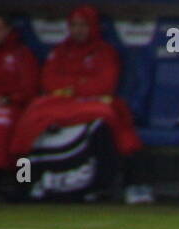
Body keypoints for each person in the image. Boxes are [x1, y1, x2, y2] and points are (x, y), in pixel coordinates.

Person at [9, 5, 142, 164]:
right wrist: (79, 84)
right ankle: (26, 176)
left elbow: (104, 84)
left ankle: (99, 177)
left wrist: (70, 87)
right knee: (31, 115)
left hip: (91, 102)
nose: (78, 30)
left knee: (105, 116)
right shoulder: (60, 51)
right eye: (74, 25)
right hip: (60, 102)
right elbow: (49, 81)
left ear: (93, 26)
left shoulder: (105, 51)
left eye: (83, 25)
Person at [0, 14, 38, 194]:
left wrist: (7, 100)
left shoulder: (21, 54)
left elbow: (29, 89)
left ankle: (17, 179)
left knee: (2, 124)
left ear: (8, 31)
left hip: (14, 106)